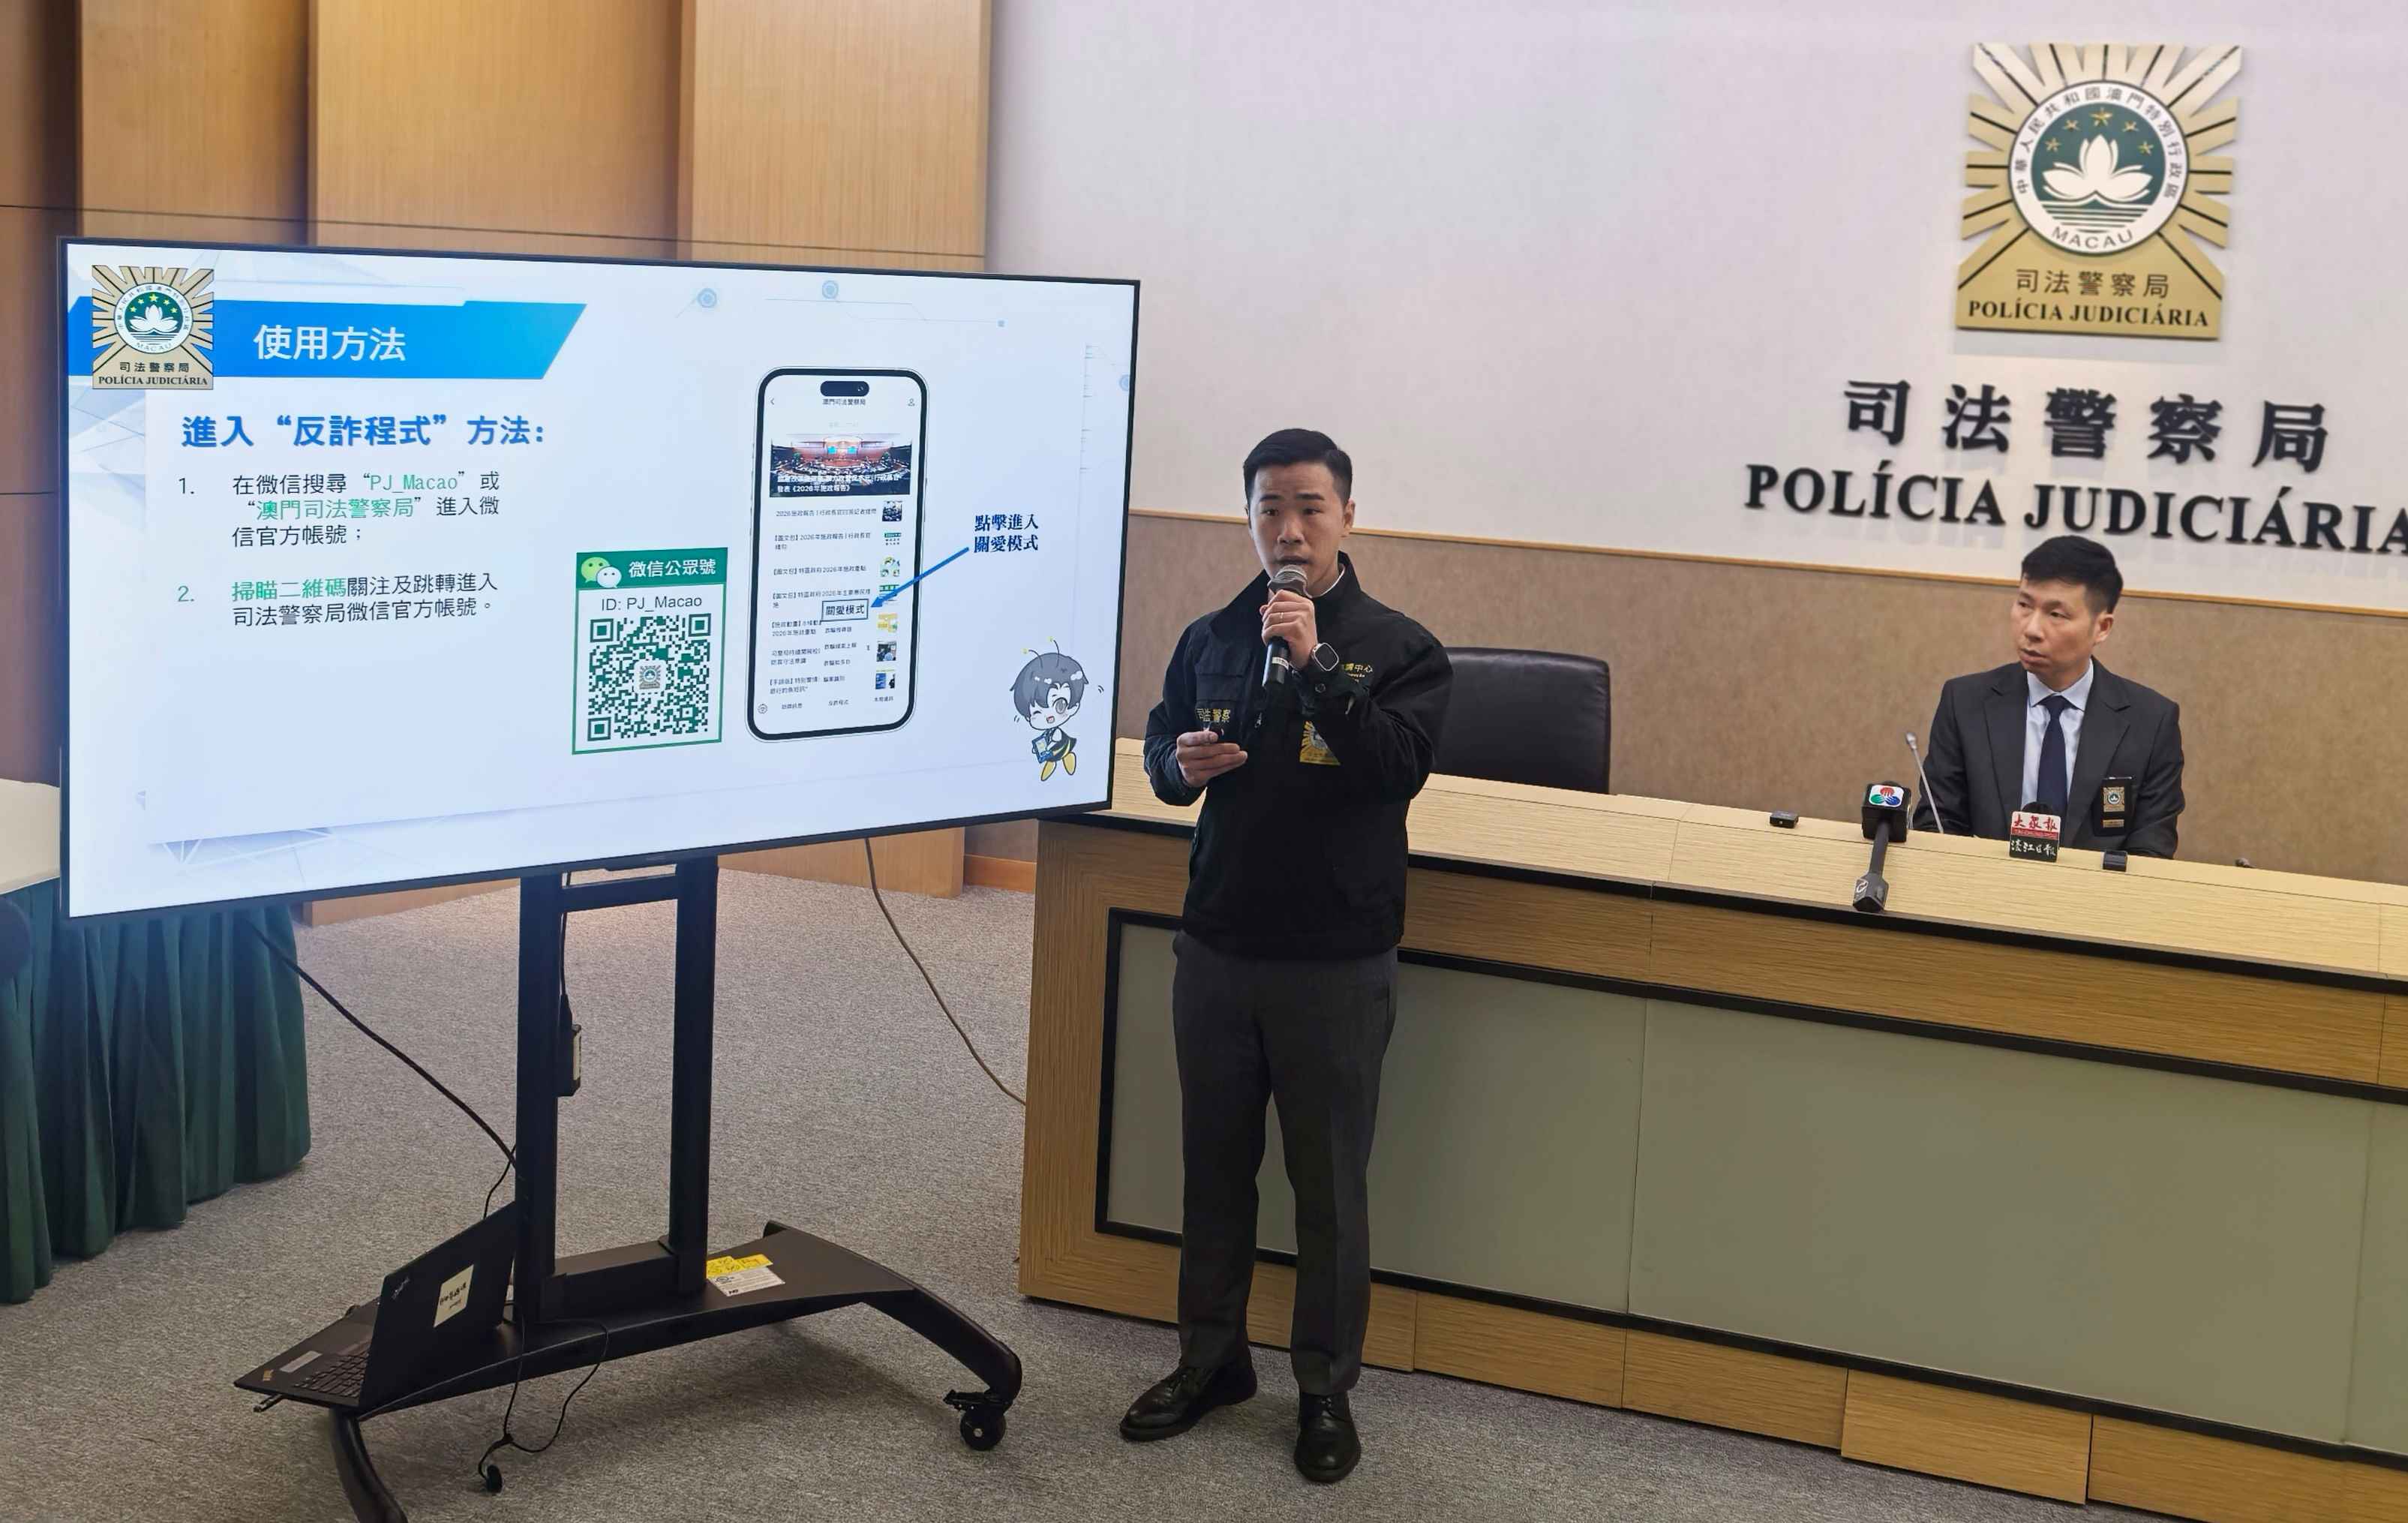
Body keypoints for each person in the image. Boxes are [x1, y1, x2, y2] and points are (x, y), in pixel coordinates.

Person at [1125, 428, 1451, 1483]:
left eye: (1310, 507)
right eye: (1270, 508)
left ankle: (1323, 1386)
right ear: (1249, 519)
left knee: (1327, 1188)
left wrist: (1315, 665)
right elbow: (1161, 746)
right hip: (1219, 944)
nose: (1290, 530)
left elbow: (1396, 768)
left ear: (1348, 515)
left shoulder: (1400, 648)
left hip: (1335, 958)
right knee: (1214, 1169)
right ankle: (1211, 1358)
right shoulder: (1214, 635)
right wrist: (1176, 766)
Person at [1917, 534, 2184, 856]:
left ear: (2102, 628)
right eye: (2024, 605)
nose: (2031, 629)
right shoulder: (1965, 703)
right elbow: (1938, 825)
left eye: (2056, 615)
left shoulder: (2151, 723)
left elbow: (2151, 851)